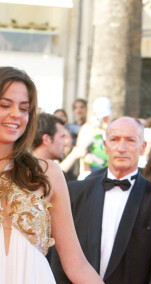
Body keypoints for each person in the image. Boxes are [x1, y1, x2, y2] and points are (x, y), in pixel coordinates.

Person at [0, 66, 104, 284]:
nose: (15, 115)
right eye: (4, 105)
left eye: (24, 108)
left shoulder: (46, 173)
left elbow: (76, 264)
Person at [47, 116, 151, 284]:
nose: (121, 148)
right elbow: (58, 259)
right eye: (115, 139)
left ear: (143, 147)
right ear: (105, 146)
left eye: (130, 140)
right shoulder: (75, 192)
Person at [76, 97, 111, 178]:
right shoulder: (87, 128)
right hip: (92, 171)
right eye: (102, 117)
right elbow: (81, 152)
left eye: (106, 117)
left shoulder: (111, 128)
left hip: (108, 169)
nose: (104, 119)